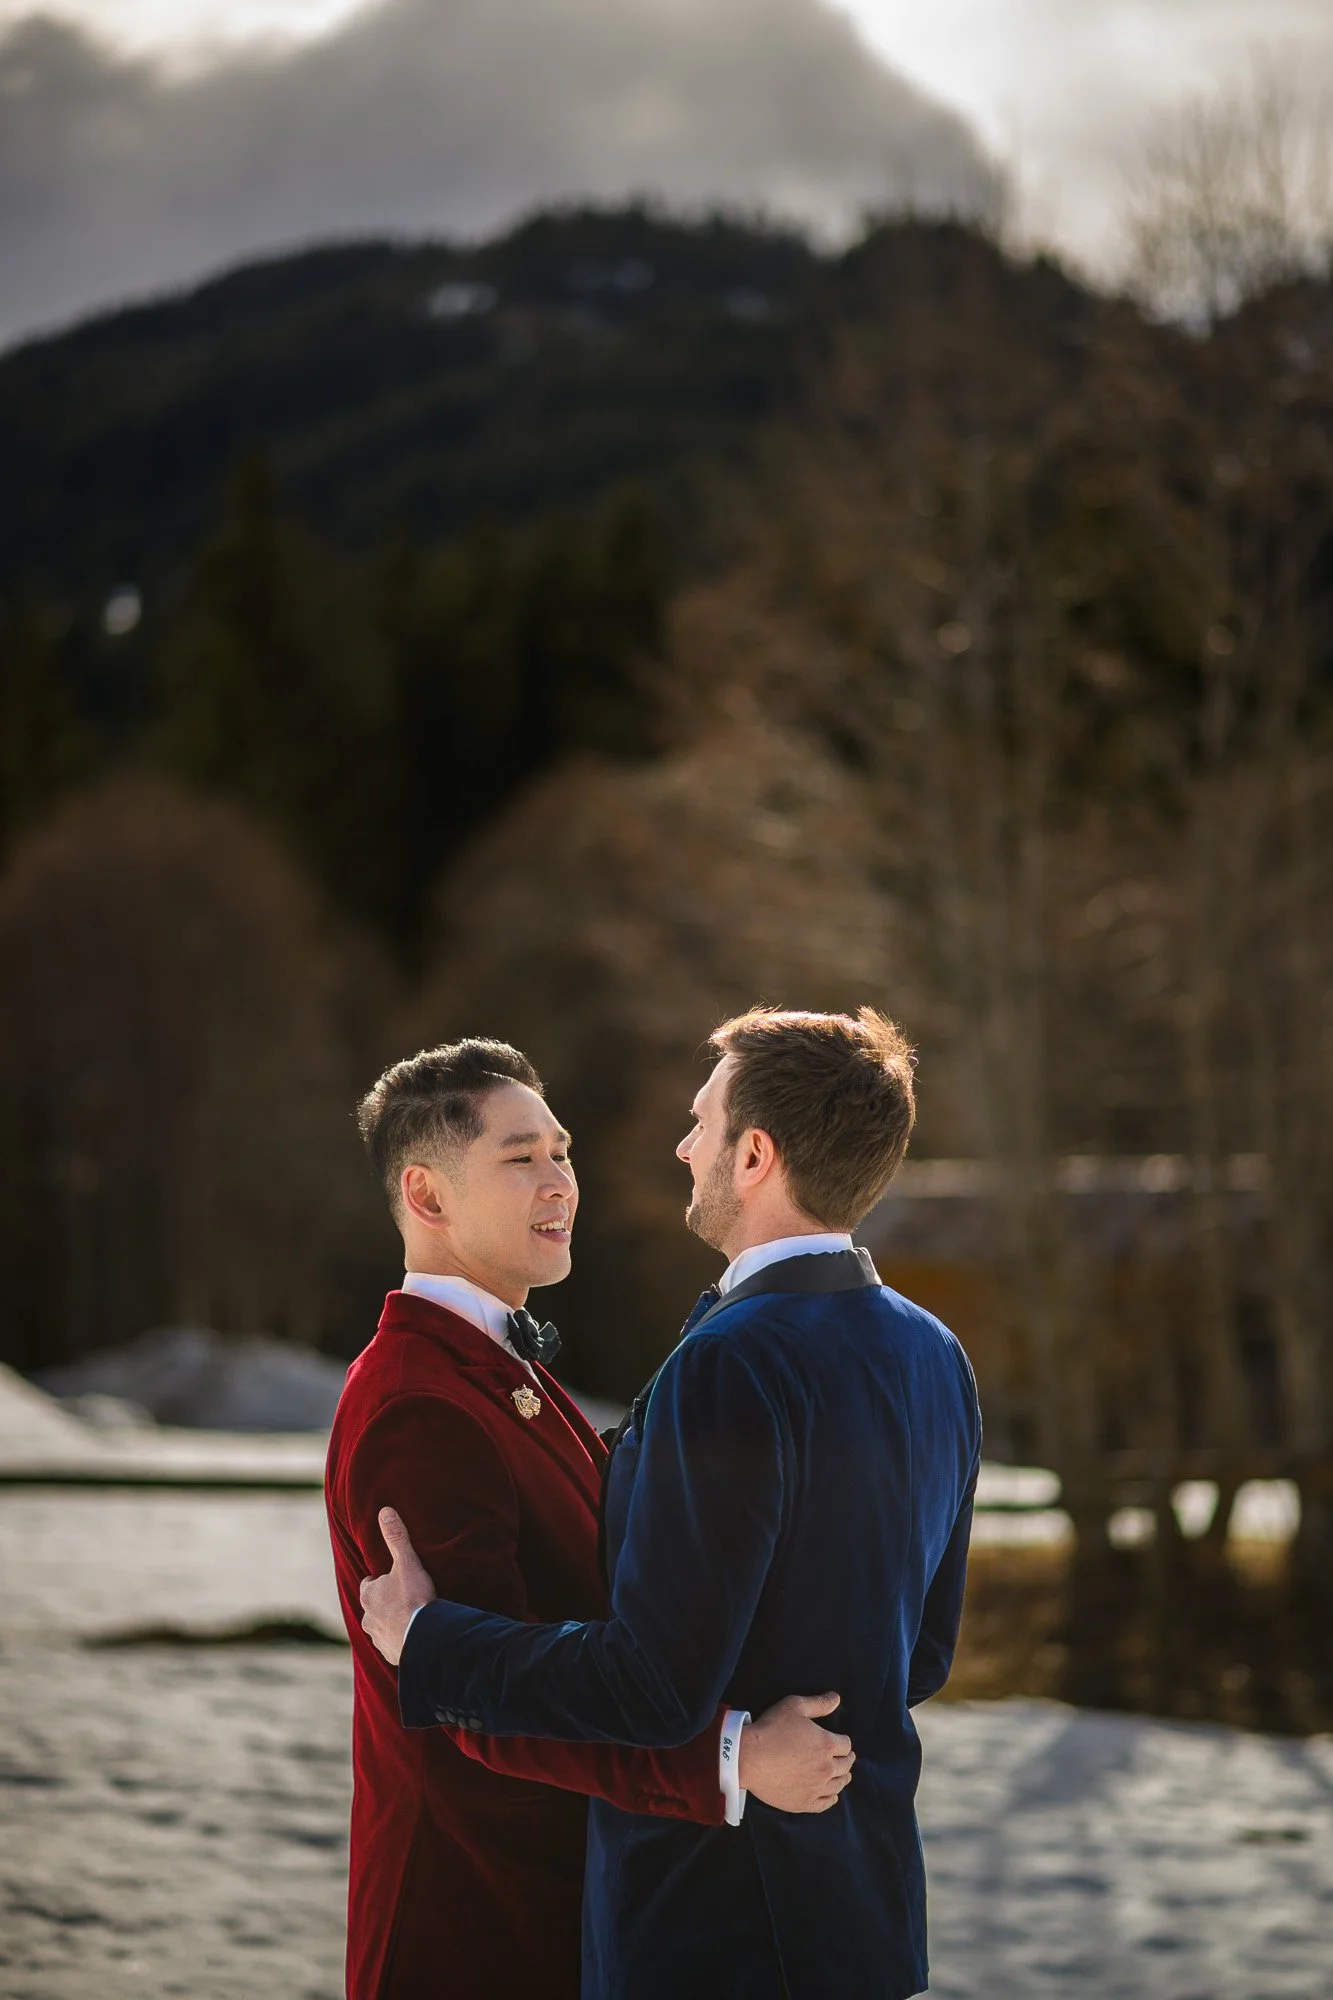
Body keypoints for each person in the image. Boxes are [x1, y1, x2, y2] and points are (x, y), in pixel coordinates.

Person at [361, 1007, 983, 2000]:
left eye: (702, 1122)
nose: (685, 1146)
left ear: (755, 1155)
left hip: (712, 1923)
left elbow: (653, 1686)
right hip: (862, 1917)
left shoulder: (732, 1360)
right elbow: (925, 1652)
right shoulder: (934, 1350)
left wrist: (434, 1642)